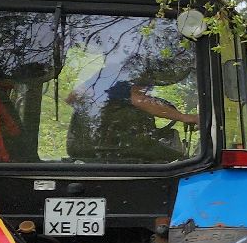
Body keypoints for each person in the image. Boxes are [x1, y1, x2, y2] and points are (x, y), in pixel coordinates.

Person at [65, 32, 199, 162]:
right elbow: (139, 101)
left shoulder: (108, 72)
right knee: (178, 157)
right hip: (123, 149)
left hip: (88, 150)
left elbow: (72, 97)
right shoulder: (133, 73)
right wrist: (184, 117)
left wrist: (99, 105)